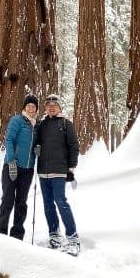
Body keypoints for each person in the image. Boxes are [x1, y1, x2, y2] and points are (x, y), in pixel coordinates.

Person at [34, 94, 81, 256]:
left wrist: (71, 168)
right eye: (48, 105)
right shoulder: (42, 125)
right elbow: (36, 142)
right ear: (45, 108)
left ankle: (73, 238)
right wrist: (36, 148)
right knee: (48, 204)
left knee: (61, 202)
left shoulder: (66, 124)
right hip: (43, 171)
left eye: (55, 104)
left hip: (59, 170)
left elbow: (74, 146)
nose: (51, 107)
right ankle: (54, 234)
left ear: (60, 107)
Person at [0, 94, 39, 240]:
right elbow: (9, 140)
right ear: (24, 107)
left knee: (21, 202)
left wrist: (37, 149)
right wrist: (11, 161)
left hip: (27, 169)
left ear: (36, 109)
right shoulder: (17, 120)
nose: (31, 108)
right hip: (11, 166)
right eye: (29, 105)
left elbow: (35, 144)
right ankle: (0, 233)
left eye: (34, 106)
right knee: (7, 199)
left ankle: (17, 235)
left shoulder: (36, 126)